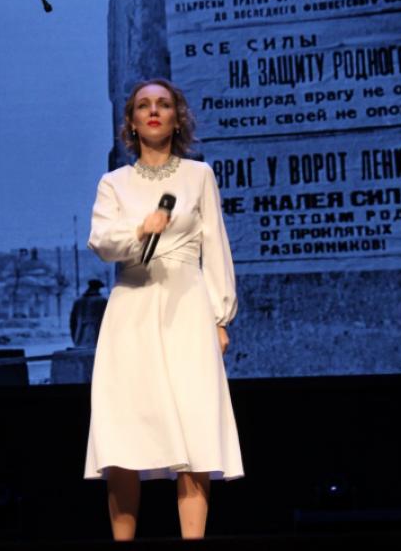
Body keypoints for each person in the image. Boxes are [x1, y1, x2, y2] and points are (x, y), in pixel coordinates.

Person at [83, 78, 243, 540]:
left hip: (186, 308)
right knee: (125, 428)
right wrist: (141, 229)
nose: (153, 111)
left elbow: (216, 249)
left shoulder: (199, 176)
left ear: (177, 118)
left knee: (193, 426)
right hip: (132, 309)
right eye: (143, 105)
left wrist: (220, 318)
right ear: (131, 122)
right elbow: (101, 242)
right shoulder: (114, 183)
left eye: (163, 104)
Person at [69, 279, 108, 348]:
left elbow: (73, 322)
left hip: (80, 337)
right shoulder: (103, 301)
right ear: (98, 288)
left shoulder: (78, 301)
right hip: (97, 337)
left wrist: (75, 337)